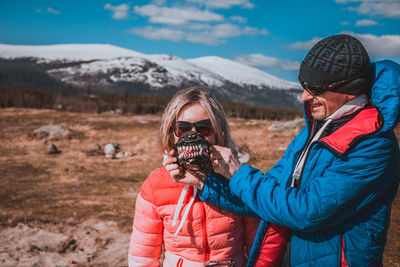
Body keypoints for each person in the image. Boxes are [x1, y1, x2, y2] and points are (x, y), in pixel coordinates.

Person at [168, 34, 400, 266]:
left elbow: (306, 211)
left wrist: (237, 172)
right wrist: (203, 182)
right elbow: (266, 198)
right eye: (303, 85)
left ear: (349, 90)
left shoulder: (374, 146)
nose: (305, 96)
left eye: (314, 88)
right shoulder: (313, 133)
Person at [128, 87, 289, 267]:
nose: (194, 135)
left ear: (218, 131)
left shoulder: (237, 180)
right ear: (171, 131)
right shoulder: (155, 186)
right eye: (183, 128)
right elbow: (142, 257)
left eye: (204, 128)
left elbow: (257, 249)